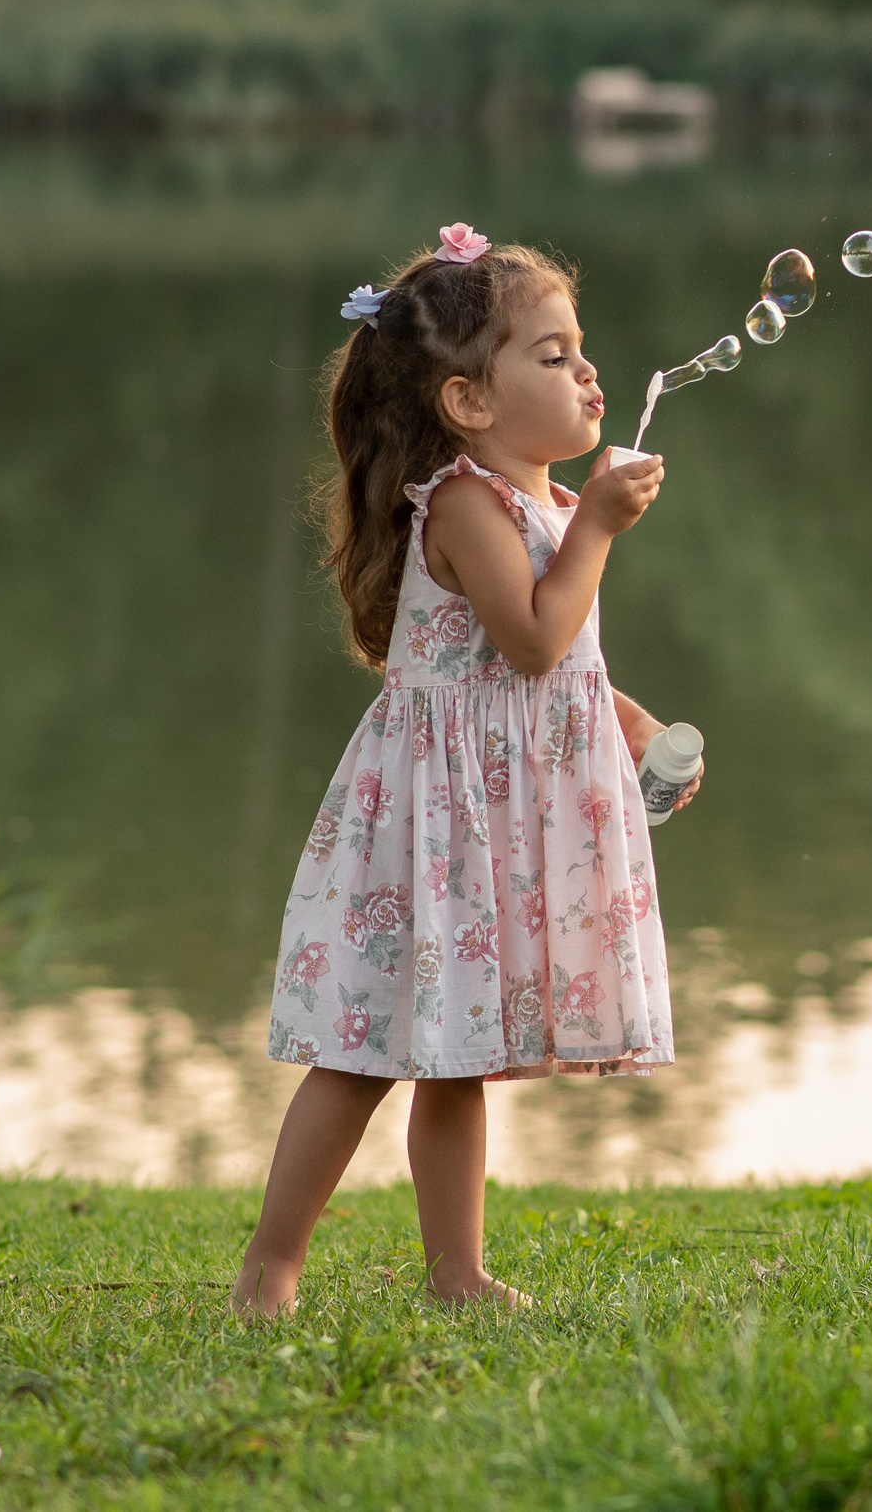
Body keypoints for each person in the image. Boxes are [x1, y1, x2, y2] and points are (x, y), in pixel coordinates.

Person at [230, 223, 696, 1317]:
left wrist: (630, 725)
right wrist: (604, 535)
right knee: (360, 1055)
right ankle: (272, 1267)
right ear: (468, 405)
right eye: (550, 353)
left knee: (455, 1057)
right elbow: (532, 636)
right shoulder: (470, 506)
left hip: (493, 817)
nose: (587, 371)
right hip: (433, 824)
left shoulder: (549, 505)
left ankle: (457, 1272)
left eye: (582, 348)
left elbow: (566, 667)